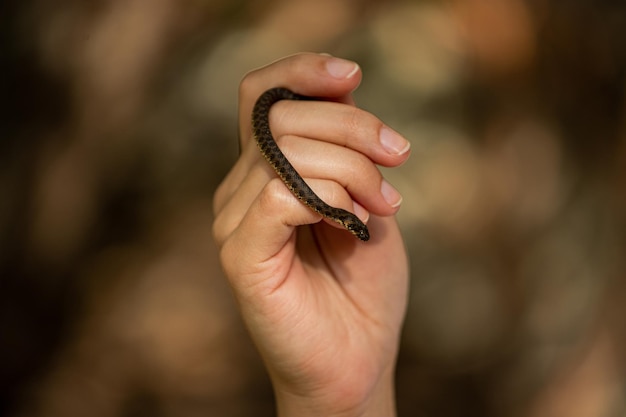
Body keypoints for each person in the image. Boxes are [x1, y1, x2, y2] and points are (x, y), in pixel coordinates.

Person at [212, 52, 411, 417]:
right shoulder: (329, 213)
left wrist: (343, 402)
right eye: (358, 229)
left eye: (358, 230)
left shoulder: (333, 216)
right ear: (347, 223)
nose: (359, 232)